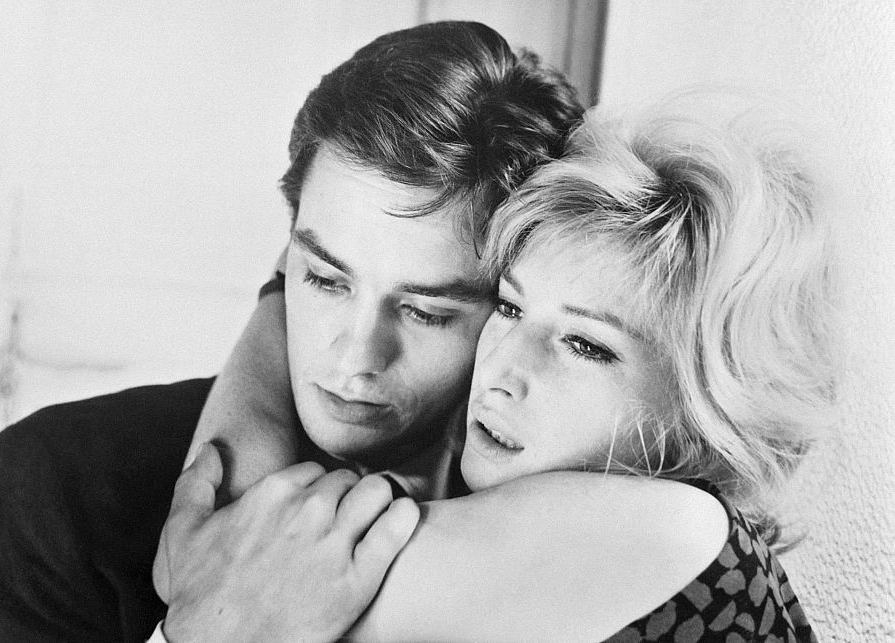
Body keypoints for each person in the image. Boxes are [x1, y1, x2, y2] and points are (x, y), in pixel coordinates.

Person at [0, 21, 583, 642]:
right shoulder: (53, 488)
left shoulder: (573, 543)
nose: (356, 357)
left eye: (426, 312)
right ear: (286, 256)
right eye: (325, 280)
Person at [161, 103, 834, 641]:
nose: (503, 369)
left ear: (704, 404)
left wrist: (285, 284)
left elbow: (225, 563)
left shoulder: (671, 531)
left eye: (584, 345)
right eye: (510, 307)